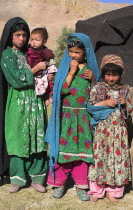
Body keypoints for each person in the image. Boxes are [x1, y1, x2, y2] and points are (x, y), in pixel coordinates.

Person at [0, 17, 48, 193]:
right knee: (18, 138)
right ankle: (17, 179)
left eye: (25, 35)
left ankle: (38, 177)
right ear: (10, 36)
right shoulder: (7, 54)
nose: (22, 39)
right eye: (18, 35)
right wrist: (34, 70)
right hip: (18, 102)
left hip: (36, 102)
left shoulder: (31, 52)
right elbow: (17, 79)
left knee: (37, 138)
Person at [45, 33, 100, 201]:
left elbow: (96, 93)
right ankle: (59, 183)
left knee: (82, 152)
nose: (73, 55)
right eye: (71, 51)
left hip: (83, 117)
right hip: (66, 116)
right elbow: (60, 91)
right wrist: (71, 72)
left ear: (86, 52)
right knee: (61, 150)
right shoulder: (65, 68)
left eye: (77, 52)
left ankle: (81, 185)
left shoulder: (90, 71)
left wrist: (92, 81)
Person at [87, 54, 132, 203]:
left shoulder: (126, 90)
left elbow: (130, 112)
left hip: (119, 132)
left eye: (115, 75)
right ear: (103, 73)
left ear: (121, 74)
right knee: (100, 158)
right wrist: (106, 102)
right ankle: (97, 190)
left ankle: (113, 190)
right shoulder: (97, 87)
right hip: (102, 132)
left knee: (116, 161)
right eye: (108, 74)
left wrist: (125, 103)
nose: (111, 78)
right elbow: (91, 107)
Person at [26, 28, 57, 106]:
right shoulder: (28, 50)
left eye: (37, 40)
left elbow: (51, 62)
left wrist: (51, 73)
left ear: (44, 41)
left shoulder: (46, 52)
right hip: (32, 74)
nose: (33, 42)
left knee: (47, 84)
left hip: (43, 74)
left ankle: (47, 97)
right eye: (32, 39)